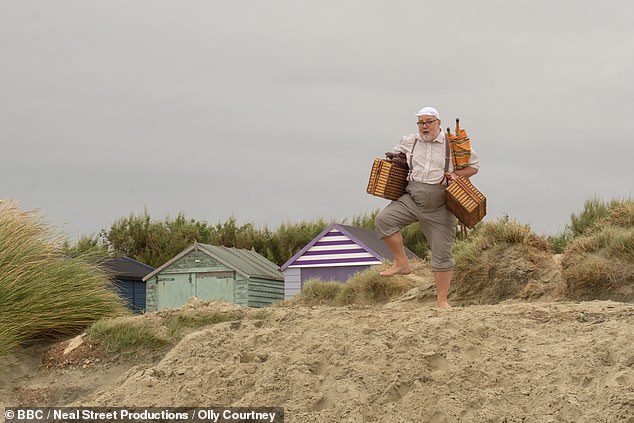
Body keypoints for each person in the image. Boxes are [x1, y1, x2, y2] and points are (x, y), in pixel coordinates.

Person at [375, 106, 480, 308]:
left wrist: (457, 175)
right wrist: (395, 159)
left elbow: (473, 167)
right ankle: (402, 263)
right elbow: (397, 158)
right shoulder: (409, 141)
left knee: (442, 253)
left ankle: (442, 300)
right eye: (421, 123)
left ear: (438, 123)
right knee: (384, 220)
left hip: (440, 205)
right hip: (412, 198)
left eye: (428, 122)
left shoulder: (454, 144)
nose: (424, 126)